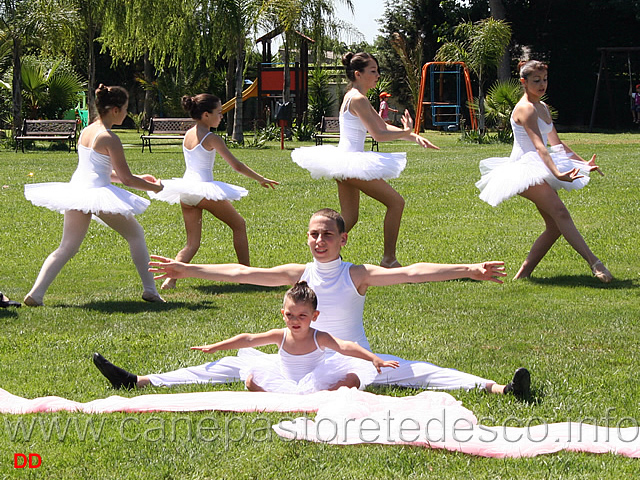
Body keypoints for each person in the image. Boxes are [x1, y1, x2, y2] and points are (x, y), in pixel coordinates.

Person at [92, 208, 531, 398]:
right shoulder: (296, 272)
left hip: (344, 360)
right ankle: (139, 382)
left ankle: (501, 389)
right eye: (313, 234)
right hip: (292, 359)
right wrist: (190, 270)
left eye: (327, 234)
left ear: (343, 239)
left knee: (420, 372)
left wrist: (468, 269)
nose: (318, 241)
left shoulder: (356, 274)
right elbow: (244, 274)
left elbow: (414, 271)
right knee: (226, 362)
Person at [291, 52, 439, 268]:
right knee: (396, 203)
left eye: (377, 70)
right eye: (373, 71)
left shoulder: (355, 96)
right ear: (358, 74)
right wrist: (405, 132)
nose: (377, 75)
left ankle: (320, 260)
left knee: (348, 219)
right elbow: (378, 135)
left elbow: (382, 125)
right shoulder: (357, 99)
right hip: (351, 164)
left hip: (345, 163)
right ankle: (389, 259)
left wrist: (411, 135)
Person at [23, 85, 166, 306]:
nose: (127, 113)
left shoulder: (87, 131)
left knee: (67, 247)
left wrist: (140, 177)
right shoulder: (110, 137)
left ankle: (36, 293)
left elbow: (102, 171)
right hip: (96, 194)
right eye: (126, 108)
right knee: (136, 234)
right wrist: (154, 187)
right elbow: (126, 179)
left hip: (77, 191)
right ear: (116, 110)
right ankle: (150, 291)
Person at [476, 60, 611, 283]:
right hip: (523, 169)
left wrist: (584, 163)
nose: (542, 85)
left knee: (555, 227)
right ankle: (595, 263)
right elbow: (539, 146)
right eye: (536, 81)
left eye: (545, 80)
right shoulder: (525, 109)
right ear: (524, 82)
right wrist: (558, 174)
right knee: (560, 213)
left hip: (539, 165)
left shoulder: (543, 107)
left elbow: (556, 144)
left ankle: (522, 276)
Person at [150, 94, 278, 290]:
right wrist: (260, 178)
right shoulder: (212, 138)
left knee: (192, 244)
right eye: (219, 113)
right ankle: (247, 275)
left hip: (186, 191)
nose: (221, 117)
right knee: (239, 225)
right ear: (206, 115)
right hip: (203, 191)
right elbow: (236, 165)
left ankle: (171, 279)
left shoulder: (188, 133)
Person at [184, 281, 398, 394]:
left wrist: (373, 358)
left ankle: (314, 397)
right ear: (283, 314)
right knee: (250, 380)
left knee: (352, 379)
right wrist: (215, 347)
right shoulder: (280, 335)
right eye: (290, 315)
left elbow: (344, 346)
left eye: (302, 316)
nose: (295, 321)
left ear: (314, 316)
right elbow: (248, 339)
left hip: (317, 380)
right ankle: (278, 396)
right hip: (284, 379)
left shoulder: (318, 337)